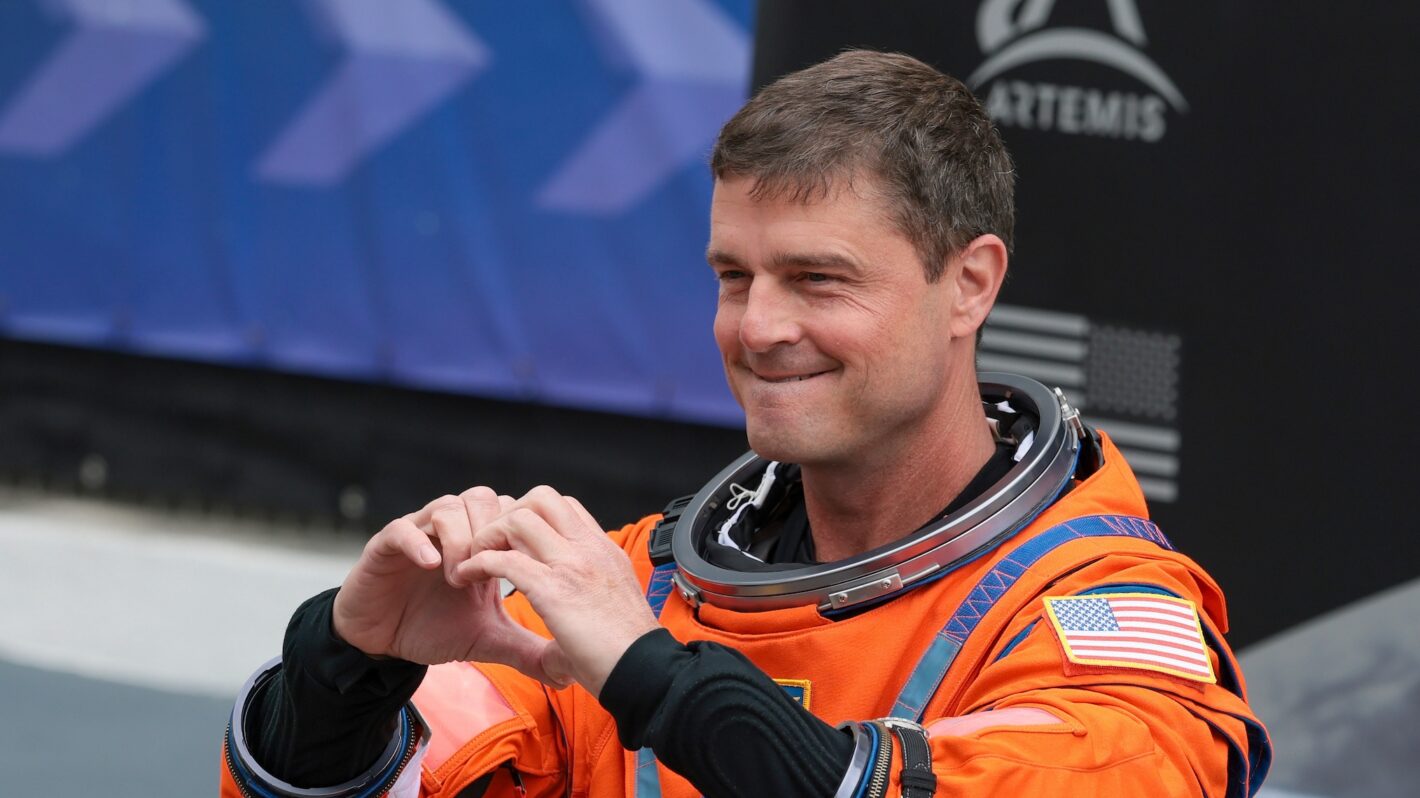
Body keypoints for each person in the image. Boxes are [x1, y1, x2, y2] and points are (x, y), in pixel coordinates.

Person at [221, 50, 1269, 798]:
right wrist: (342, 672)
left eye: (818, 280)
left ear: (968, 286)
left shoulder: (1101, 617)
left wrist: (656, 678)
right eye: (734, 277)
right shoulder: (634, 590)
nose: (758, 328)